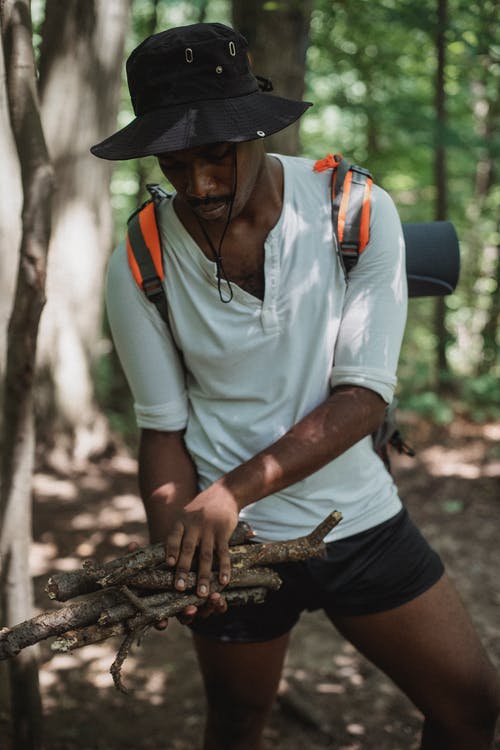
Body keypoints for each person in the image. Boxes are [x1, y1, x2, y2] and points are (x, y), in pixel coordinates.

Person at [92, 22, 500, 750]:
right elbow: (162, 429)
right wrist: (174, 560)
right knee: (239, 719)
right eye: (175, 163)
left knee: (471, 705)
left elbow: (363, 398)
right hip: (230, 545)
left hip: (357, 519)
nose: (200, 184)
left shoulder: (353, 209)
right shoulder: (143, 252)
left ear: (253, 130)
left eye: (216, 156)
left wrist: (227, 494)